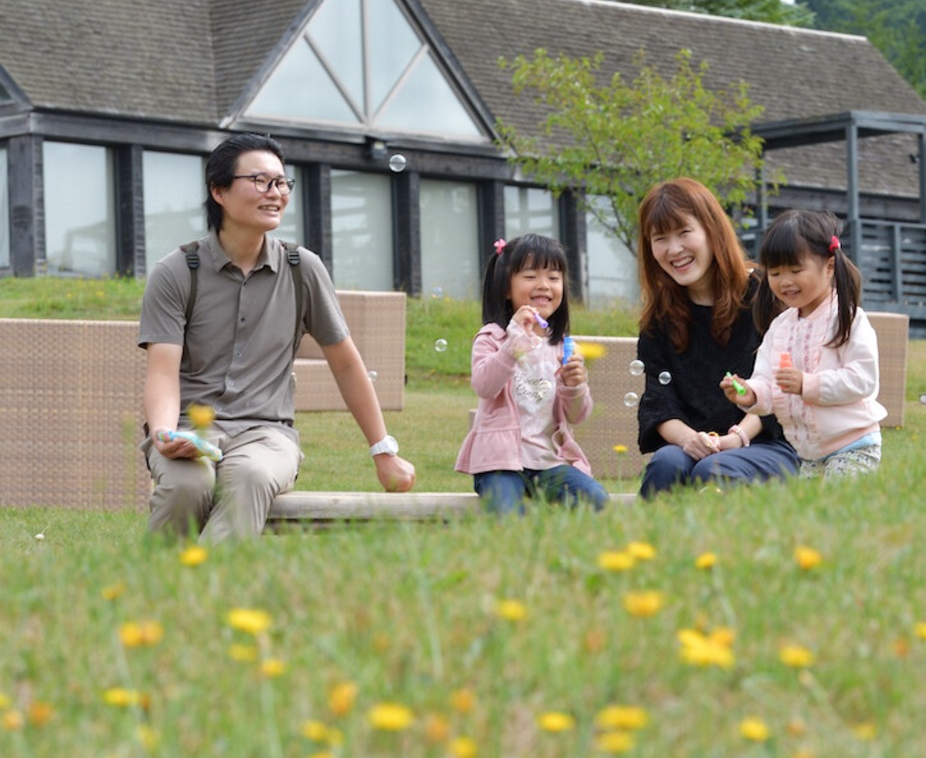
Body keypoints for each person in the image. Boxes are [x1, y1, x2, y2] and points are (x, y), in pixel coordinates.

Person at [138, 132, 415, 542]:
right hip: (189, 427)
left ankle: (205, 598)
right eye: (261, 181)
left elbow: (345, 363)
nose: (277, 193)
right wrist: (164, 433)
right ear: (219, 191)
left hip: (268, 433)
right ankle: (156, 593)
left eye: (282, 183)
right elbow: (162, 372)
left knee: (249, 477)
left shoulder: (303, 269)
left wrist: (383, 451)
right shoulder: (178, 271)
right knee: (186, 486)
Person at [636, 177, 799, 498]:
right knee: (666, 465)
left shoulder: (764, 296)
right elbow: (658, 402)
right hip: (694, 444)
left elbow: (781, 389)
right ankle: (653, 546)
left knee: (713, 470)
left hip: (769, 443)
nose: (674, 249)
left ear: (712, 230)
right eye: (660, 238)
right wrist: (688, 440)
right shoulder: (658, 319)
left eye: (684, 232)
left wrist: (736, 438)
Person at [722, 209, 886, 478]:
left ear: (829, 266)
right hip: (808, 453)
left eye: (796, 270)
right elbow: (768, 381)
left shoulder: (848, 318)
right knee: (810, 518)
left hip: (854, 445)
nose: (785, 282)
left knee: (836, 513)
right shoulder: (780, 327)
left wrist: (806, 384)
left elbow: (863, 380)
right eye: (775, 273)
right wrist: (750, 393)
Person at [455, 233, 608, 514]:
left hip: (548, 462)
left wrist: (575, 387)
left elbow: (577, 416)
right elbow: (484, 386)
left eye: (553, 277)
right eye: (530, 276)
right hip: (499, 464)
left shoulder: (562, 345)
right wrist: (512, 347)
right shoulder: (493, 338)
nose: (544, 285)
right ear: (505, 288)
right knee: (509, 512)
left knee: (595, 498)